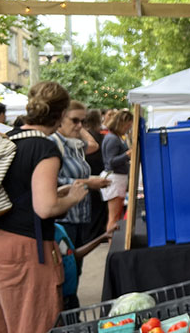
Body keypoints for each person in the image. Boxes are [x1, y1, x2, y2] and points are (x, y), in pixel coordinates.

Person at [0, 81, 90, 332]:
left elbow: (16, 191)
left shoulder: (5, 139)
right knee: (33, 323)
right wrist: (73, 197)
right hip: (22, 249)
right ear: (60, 114)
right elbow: (45, 208)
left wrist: (55, 193)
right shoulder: (44, 147)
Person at [51, 101, 110, 261]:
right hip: (64, 218)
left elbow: (93, 145)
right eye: (75, 120)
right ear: (60, 119)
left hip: (79, 217)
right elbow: (53, 181)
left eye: (83, 121)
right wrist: (89, 183)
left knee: (75, 266)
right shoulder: (52, 144)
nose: (79, 125)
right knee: (68, 267)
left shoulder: (73, 144)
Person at [53, 223, 114, 310]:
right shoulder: (45, 239)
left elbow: (73, 255)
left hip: (71, 295)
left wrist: (102, 238)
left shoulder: (59, 229)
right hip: (61, 299)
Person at [101, 110, 134, 232]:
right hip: (114, 178)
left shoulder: (115, 137)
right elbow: (111, 161)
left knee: (116, 215)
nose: (128, 128)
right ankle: (111, 243)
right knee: (114, 217)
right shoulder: (113, 139)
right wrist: (127, 155)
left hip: (117, 178)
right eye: (127, 125)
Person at [82, 109, 109, 242]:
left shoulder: (86, 136)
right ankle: (97, 234)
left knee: (93, 207)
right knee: (99, 206)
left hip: (89, 172)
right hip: (98, 172)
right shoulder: (100, 135)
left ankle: (93, 235)